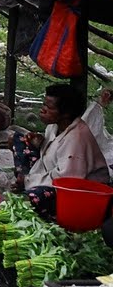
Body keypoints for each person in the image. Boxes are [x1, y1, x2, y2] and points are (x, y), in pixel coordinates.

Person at [18, 84, 111, 221]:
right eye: (44, 105)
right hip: (53, 173)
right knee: (18, 140)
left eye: (49, 108)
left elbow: (67, 180)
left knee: (34, 197)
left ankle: (24, 181)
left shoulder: (77, 139)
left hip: (80, 192)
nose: (42, 110)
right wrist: (39, 143)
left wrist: (28, 181)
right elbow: (53, 151)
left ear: (65, 114)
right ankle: (24, 179)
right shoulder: (55, 125)